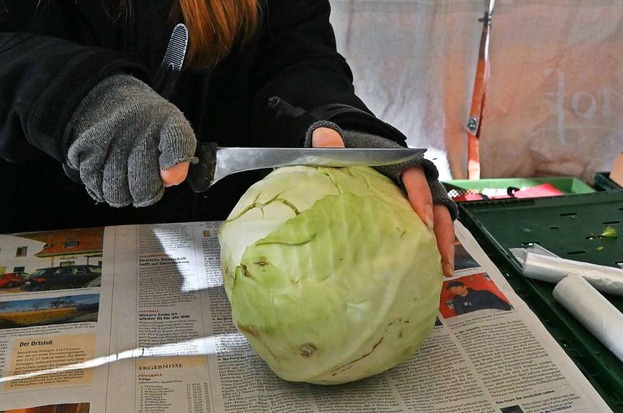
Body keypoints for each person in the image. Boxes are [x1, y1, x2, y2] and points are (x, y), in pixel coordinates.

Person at [0, 0, 456, 275]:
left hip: (235, 262)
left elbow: (295, 56)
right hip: (38, 240)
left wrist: (338, 122)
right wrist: (73, 95)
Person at [446, 280, 512, 315]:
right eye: (452, 289)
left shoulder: (483, 293)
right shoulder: (457, 301)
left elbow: (504, 306)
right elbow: (461, 315)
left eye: (456, 287)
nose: (454, 290)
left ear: (464, 286)